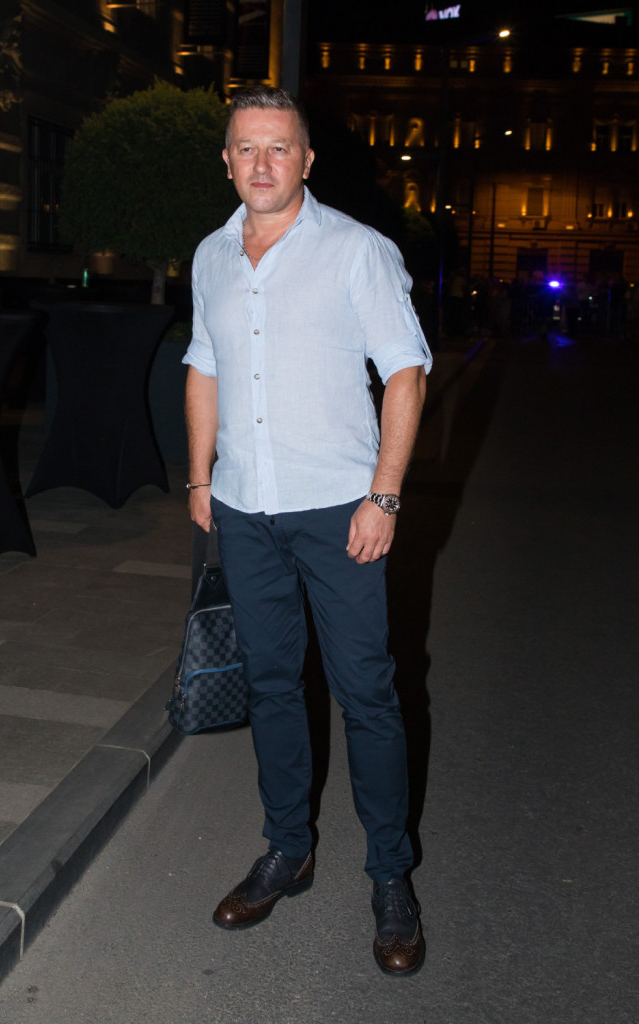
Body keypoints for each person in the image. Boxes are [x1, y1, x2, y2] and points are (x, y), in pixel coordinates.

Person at [184, 86, 432, 976]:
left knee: (366, 694)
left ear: (306, 160)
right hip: (245, 507)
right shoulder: (212, 255)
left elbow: (405, 373)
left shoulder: (356, 250)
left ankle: (390, 876)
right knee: (271, 685)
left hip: (339, 510)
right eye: (246, 148)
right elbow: (204, 367)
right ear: (226, 161)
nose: (262, 164)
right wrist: (201, 477)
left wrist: (383, 497)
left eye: (278, 148)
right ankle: (287, 847)